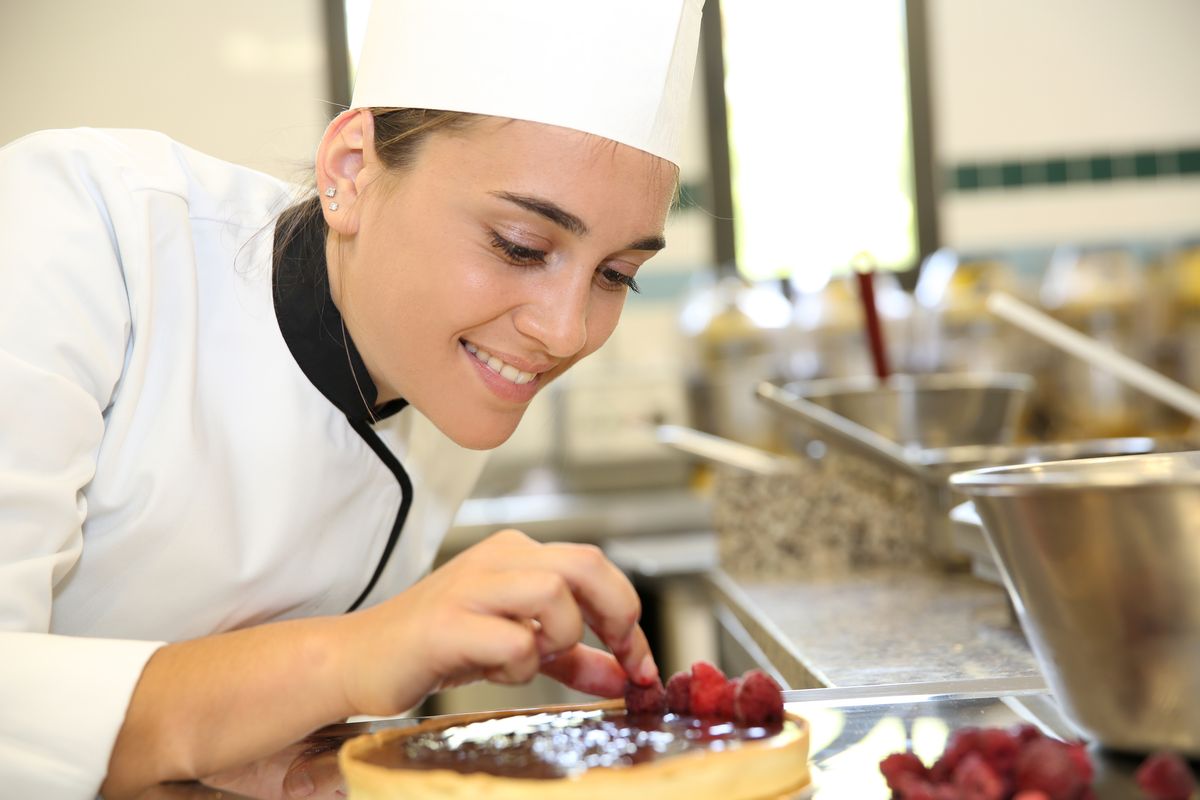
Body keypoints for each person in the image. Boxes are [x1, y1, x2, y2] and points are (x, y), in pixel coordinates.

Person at [0, 1, 705, 798]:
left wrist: (293, 765)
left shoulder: (443, 369)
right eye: (521, 247)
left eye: (616, 275)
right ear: (350, 172)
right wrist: (356, 655)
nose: (566, 331)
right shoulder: (82, 228)